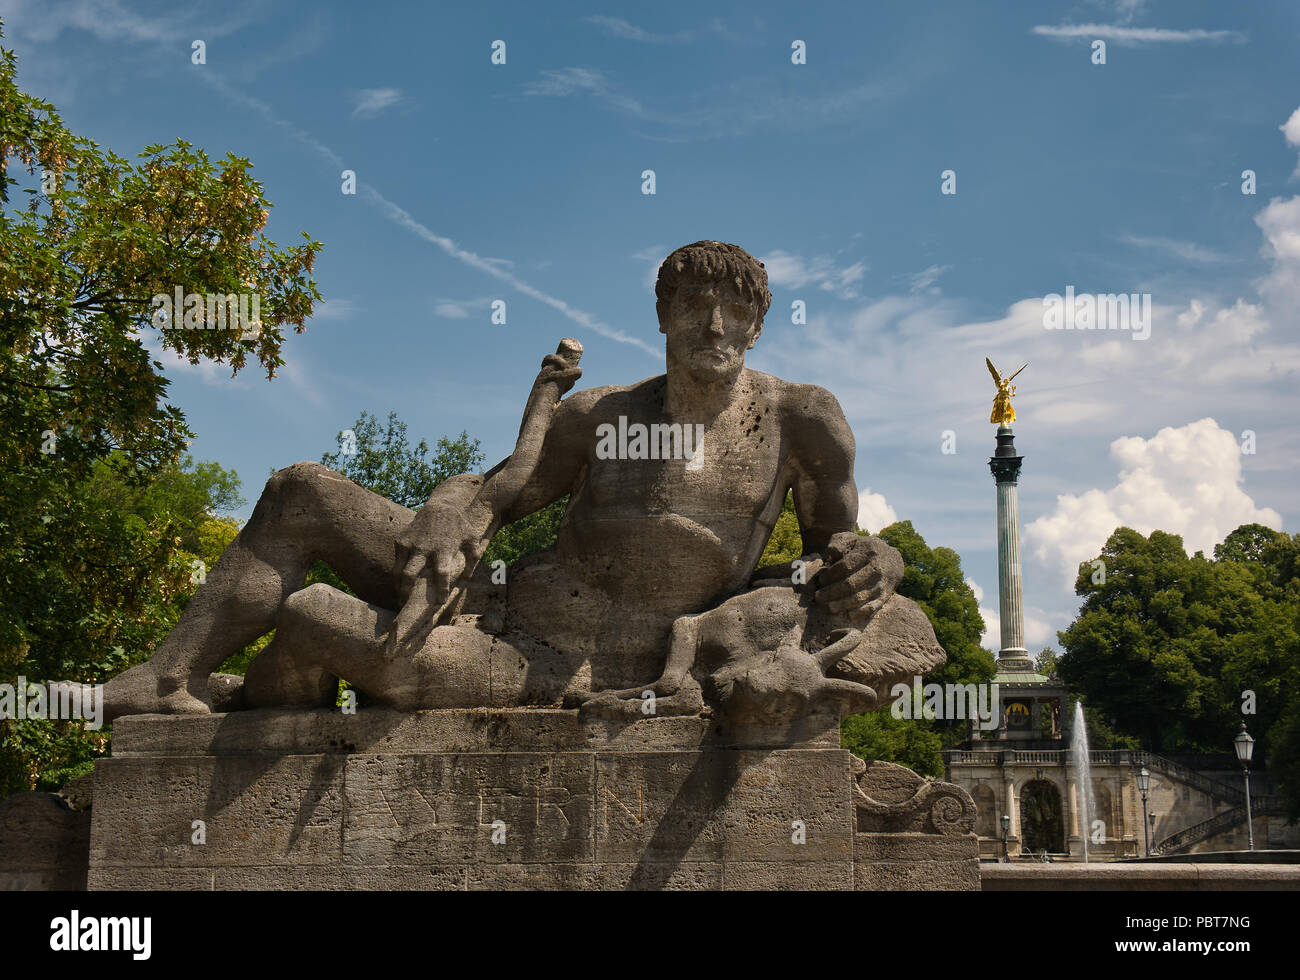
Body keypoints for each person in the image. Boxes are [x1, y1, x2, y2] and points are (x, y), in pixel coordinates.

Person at [104, 241, 940, 720]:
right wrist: (443, 503)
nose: (711, 323)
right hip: (493, 595)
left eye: (731, 309)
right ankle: (165, 678)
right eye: (691, 303)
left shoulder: (801, 418)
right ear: (660, 315)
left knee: (312, 614)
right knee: (300, 491)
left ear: (758, 324)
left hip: (563, 664)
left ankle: (266, 692)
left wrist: (885, 562)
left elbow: (832, 559)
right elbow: (500, 493)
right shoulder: (600, 413)